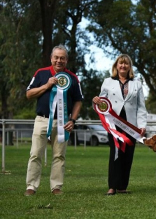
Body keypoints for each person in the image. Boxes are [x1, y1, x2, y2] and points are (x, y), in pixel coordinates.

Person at [24, 44, 83, 196]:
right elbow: (29, 94)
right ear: (51, 58)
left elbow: (78, 101)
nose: (59, 61)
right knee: (35, 153)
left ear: (66, 60)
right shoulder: (41, 73)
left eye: (62, 58)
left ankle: (56, 187)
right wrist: (47, 85)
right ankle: (31, 186)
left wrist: (73, 120)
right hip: (42, 120)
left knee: (59, 156)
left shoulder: (73, 78)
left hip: (63, 123)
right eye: (56, 57)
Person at [92, 54, 147, 195]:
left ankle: (122, 186)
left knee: (128, 155)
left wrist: (142, 125)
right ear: (116, 66)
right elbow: (102, 102)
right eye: (120, 63)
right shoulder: (107, 82)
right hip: (114, 123)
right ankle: (112, 186)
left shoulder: (137, 83)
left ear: (130, 66)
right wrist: (96, 101)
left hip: (131, 124)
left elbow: (141, 107)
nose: (123, 66)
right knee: (115, 153)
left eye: (126, 63)